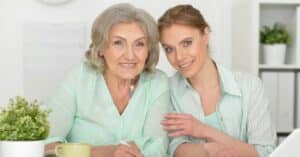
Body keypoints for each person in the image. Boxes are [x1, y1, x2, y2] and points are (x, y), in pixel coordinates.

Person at [45, 3, 170, 157]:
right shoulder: (78, 79)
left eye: (139, 44)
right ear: (101, 48)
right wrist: (107, 152)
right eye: (118, 43)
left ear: (148, 50)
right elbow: (47, 145)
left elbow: (157, 149)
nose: (130, 55)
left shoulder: (158, 83)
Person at [158, 4, 276, 157]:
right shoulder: (167, 90)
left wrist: (203, 130)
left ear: (205, 35)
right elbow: (175, 149)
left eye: (186, 43)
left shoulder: (250, 87)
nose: (179, 57)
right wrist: (207, 150)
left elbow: (265, 152)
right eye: (169, 49)